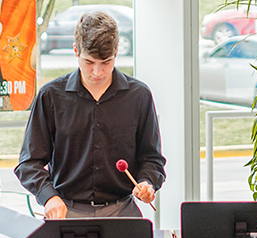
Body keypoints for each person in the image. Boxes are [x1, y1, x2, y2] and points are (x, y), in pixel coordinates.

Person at [15, 11, 165, 219]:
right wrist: (49, 197)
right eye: (89, 62)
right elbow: (29, 163)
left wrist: (147, 182)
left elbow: (152, 158)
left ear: (117, 52)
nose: (97, 72)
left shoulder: (139, 96)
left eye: (106, 62)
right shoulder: (51, 96)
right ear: (76, 51)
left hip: (122, 209)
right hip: (66, 209)